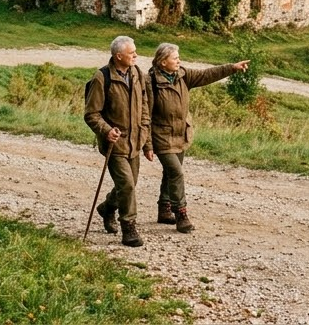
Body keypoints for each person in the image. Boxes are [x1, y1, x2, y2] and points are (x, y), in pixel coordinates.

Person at [148, 42, 249, 233]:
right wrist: (147, 144)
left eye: (179, 57)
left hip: (180, 134)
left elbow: (206, 75)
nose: (179, 60)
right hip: (161, 137)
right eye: (175, 58)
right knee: (176, 173)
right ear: (162, 62)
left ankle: (164, 209)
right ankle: (181, 215)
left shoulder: (183, 75)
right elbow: (144, 114)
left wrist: (232, 68)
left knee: (170, 173)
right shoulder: (150, 82)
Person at [84, 35, 154, 247]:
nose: (136, 55)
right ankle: (129, 227)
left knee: (128, 185)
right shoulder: (101, 78)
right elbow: (91, 114)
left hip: (136, 142)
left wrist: (147, 143)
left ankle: (107, 208)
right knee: (127, 185)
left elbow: (144, 110)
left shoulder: (137, 74)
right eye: (132, 53)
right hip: (115, 144)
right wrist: (106, 131)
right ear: (118, 56)